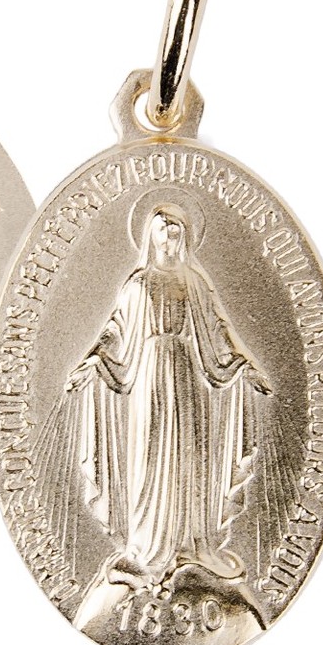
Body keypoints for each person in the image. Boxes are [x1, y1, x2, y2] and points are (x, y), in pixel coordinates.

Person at [61, 206, 271, 586]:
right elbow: (114, 331)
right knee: (150, 455)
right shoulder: (138, 284)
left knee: (189, 456)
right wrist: (91, 360)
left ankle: (189, 546)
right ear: (151, 236)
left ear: (185, 237)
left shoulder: (194, 283)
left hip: (189, 376)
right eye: (163, 230)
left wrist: (245, 364)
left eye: (176, 231)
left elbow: (219, 329)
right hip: (149, 377)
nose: (170, 237)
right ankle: (145, 549)